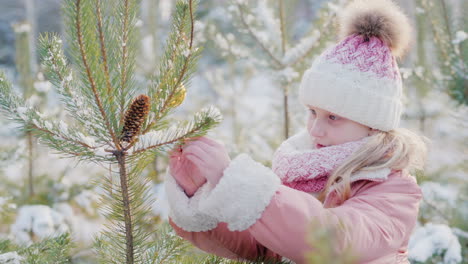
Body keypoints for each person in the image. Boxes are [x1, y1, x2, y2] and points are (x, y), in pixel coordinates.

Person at [165, 0, 428, 263]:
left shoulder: (393, 190)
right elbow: (264, 248)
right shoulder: (303, 169)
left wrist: (235, 183)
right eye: (312, 112)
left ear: (373, 125)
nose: (315, 129)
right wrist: (199, 187)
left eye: (333, 117)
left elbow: (334, 243)